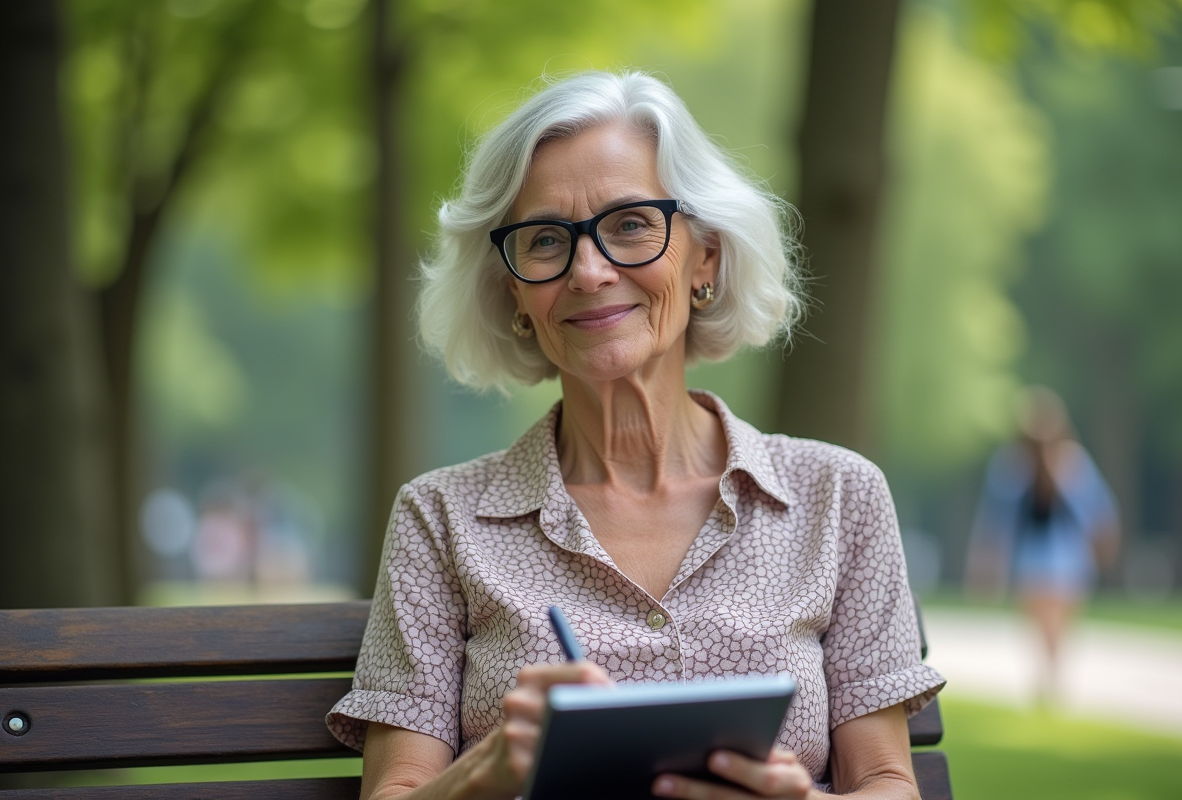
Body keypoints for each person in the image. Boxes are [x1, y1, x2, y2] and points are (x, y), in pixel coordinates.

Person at [327, 70, 944, 800]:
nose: (589, 271)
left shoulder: (838, 497)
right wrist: (486, 772)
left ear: (705, 257)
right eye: (545, 240)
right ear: (514, 290)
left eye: (629, 225)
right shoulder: (440, 520)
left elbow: (887, 782)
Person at [966, 386, 1120, 703]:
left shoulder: (1065, 462)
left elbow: (1094, 510)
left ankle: (1051, 681)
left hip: (1059, 555)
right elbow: (999, 518)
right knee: (1046, 624)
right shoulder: (1017, 464)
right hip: (1043, 555)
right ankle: (1051, 680)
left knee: (1052, 623)